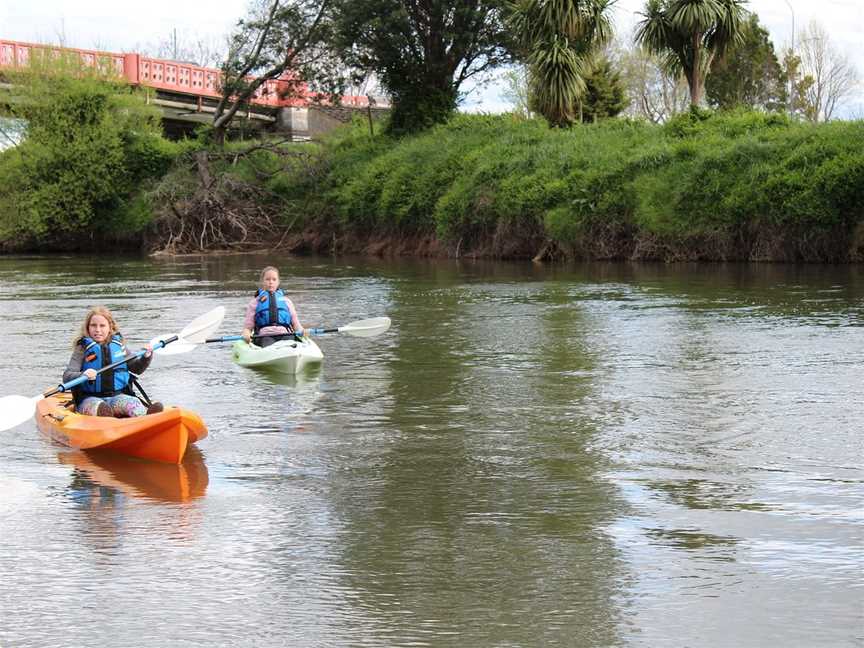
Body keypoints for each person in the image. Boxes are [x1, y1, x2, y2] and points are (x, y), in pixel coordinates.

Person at [63, 306, 163, 418]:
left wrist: (146, 356)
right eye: (93, 325)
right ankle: (108, 423)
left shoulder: (118, 346)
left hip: (117, 397)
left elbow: (137, 369)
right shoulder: (82, 349)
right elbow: (67, 376)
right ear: (87, 327)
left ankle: (150, 420)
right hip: (89, 399)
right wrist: (83, 375)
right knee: (100, 408)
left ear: (110, 327)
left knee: (134, 405)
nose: (98, 330)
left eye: (102, 326)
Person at [242, 266, 305, 348]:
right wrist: (246, 334)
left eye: (274, 279)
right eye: (267, 279)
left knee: (291, 343)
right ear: (262, 282)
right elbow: (248, 327)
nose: (271, 282)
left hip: (285, 334)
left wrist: (301, 331)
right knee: (269, 344)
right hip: (264, 336)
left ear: (278, 282)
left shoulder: (287, 301)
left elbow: (295, 323)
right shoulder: (255, 303)